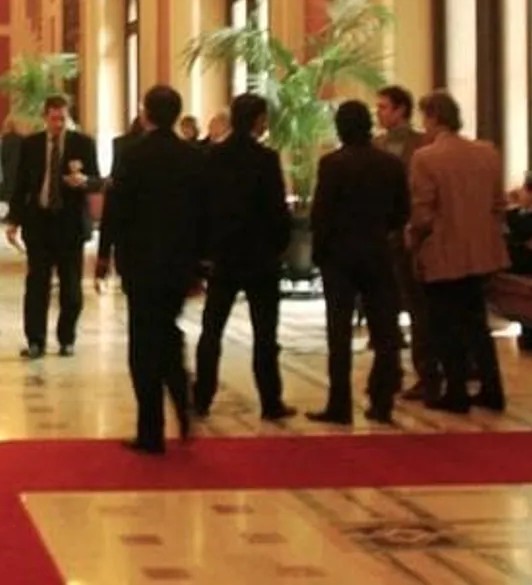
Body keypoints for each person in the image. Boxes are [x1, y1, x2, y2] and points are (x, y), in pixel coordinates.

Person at [106, 85, 205, 454]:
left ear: (146, 113)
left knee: (143, 347)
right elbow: (202, 214)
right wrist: (200, 264)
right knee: (167, 333)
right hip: (178, 264)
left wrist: (105, 256)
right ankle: (183, 403)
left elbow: (118, 209)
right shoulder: (193, 157)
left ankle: (151, 430)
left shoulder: (132, 155)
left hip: (141, 264)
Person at [193, 92, 295, 421]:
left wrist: (205, 251)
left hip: (224, 256)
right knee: (265, 334)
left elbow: (203, 208)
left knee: (212, 331)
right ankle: (270, 400)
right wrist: (279, 247)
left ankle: (202, 397)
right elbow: (278, 212)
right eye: (263, 117)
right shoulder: (265, 159)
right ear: (256, 120)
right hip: (261, 257)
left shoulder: (212, 157)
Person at [407, 90, 510, 415]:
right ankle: (492, 389)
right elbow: (498, 204)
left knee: (443, 324)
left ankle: (456, 391)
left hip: (443, 250)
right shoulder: (487, 153)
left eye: (425, 118)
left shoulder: (426, 158)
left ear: (434, 117)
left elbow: (423, 211)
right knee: (477, 323)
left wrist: (414, 240)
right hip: (481, 252)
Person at [306, 100, 408, 426]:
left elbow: (321, 214)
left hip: (339, 257)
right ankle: (382, 401)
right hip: (377, 253)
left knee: (339, 334)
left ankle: (340, 404)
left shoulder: (332, 164)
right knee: (384, 331)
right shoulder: (390, 164)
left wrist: (319, 253)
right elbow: (401, 212)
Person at [4, 96, 102, 358]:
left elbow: (97, 181)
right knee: (37, 284)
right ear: (45, 117)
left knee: (71, 286)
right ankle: (36, 340)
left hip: (70, 223)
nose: (58, 124)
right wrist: (14, 220)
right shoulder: (31, 145)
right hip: (39, 221)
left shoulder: (83, 143)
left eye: (63, 118)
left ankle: (66, 338)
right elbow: (21, 184)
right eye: (54, 118)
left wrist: (84, 181)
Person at [375, 84, 437, 401]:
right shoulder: (377, 145)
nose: (379, 112)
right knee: (384, 311)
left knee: (418, 308)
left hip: (411, 236)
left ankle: (427, 374)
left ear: (401, 110)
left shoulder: (423, 145)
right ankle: (389, 374)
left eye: (384, 107)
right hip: (381, 236)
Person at [96, 112, 147, 285]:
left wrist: (103, 254)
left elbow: (110, 215)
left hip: (128, 241)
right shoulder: (184, 155)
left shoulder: (119, 176)